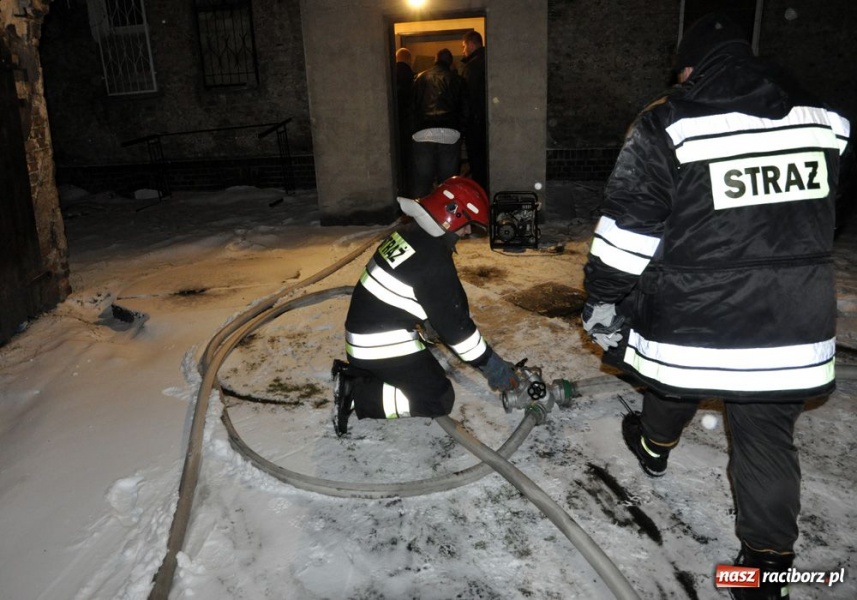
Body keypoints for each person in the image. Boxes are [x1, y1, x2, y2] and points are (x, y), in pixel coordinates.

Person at [579, 13, 850, 600]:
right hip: (793, 319)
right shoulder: (828, 120)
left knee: (675, 376)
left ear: (690, 68)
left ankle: (654, 447)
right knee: (766, 436)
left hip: (697, 314)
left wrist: (601, 297)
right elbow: (834, 209)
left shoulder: (668, 124)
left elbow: (628, 234)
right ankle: (765, 572)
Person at [332, 176, 518, 436]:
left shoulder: (410, 232)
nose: (467, 232)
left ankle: (366, 375)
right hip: (378, 346)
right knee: (437, 397)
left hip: (365, 333)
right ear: (451, 215)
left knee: (425, 373)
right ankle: (357, 394)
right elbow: (458, 331)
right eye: (467, 225)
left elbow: (416, 288)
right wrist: (493, 367)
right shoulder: (433, 260)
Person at [409, 48, 465, 199]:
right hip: (449, 134)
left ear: (435, 59)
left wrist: (412, 129)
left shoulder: (420, 78)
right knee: (447, 185)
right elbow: (464, 108)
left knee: (422, 182)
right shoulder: (457, 80)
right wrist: (461, 131)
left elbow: (411, 106)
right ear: (451, 62)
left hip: (423, 134)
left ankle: (421, 211)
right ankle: (444, 212)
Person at [460, 30, 488, 193]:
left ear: (471, 44)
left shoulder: (472, 67)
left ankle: (479, 196)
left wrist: (465, 124)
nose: (463, 51)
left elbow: (468, 98)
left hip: (475, 125)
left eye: (464, 46)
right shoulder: (488, 60)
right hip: (484, 123)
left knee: (477, 165)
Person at [395, 47, 415, 196]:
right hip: (409, 124)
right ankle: (408, 191)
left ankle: (399, 190)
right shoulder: (413, 77)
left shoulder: (389, 73)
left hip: (395, 124)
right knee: (409, 161)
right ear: (409, 59)